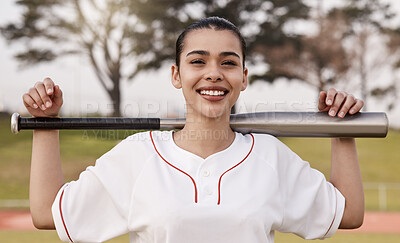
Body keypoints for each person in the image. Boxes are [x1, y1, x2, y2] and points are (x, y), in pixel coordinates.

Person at [22, 17, 364, 243]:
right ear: (176, 75)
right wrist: (45, 125)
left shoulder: (269, 156)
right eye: (198, 61)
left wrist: (342, 129)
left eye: (228, 62)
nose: (213, 73)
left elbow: (347, 213)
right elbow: (45, 212)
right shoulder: (139, 155)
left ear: (243, 78)